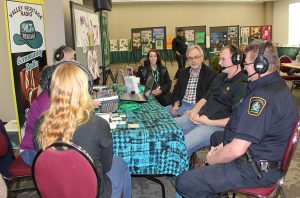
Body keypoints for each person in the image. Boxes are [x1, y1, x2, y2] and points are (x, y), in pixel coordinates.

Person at [176, 40, 298, 197]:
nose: (245, 69)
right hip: (262, 156)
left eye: (246, 64)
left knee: (185, 182)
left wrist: (213, 159)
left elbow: (237, 149)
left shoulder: (261, 99)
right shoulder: (276, 86)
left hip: (255, 170)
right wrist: (223, 145)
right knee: (217, 137)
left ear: (261, 65)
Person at [33, 63, 131, 198]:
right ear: (84, 89)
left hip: (57, 191)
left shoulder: (41, 124)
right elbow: (106, 167)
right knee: (120, 162)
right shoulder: (98, 124)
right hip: (95, 193)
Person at [175, 45, 248, 157]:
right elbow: (205, 98)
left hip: (214, 126)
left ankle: (181, 169)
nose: (219, 63)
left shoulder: (243, 84)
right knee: (170, 128)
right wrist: (194, 111)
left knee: (182, 145)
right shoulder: (220, 77)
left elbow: (236, 120)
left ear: (236, 59)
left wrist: (208, 122)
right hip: (200, 117)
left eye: (223, 59)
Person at [19, 46, 77, 166]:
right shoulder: (47, 101)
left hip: (45, 145)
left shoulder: (55, 95)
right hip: (32, 151)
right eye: (71, 60)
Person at [165, 45, 217, 117]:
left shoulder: (211, 74)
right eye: (190, 58)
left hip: (197, 108)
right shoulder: (183, 72)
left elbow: (210, 98)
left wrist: (194, 110)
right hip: (181, 104)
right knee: (160, 114)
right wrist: (176, 103)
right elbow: (176, 91)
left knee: (175, 123)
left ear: (202, 58)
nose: (193, 61)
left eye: (196, 57)